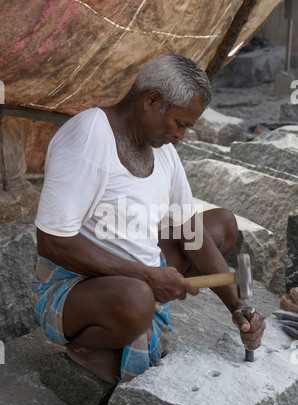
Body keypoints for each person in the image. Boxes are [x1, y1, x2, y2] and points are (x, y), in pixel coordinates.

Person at [31, 54, 265, 385]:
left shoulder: (163, 150)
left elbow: (191, 232)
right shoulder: (89, 136)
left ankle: (132, 313)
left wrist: (237, 306)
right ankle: (87, 345)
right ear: (152, 101)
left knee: (222, 224)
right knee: (137, 298)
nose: (182, 136)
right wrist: (146, 276)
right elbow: (52, 241)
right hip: (72, 286)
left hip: (134, 274)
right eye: (180, 124)